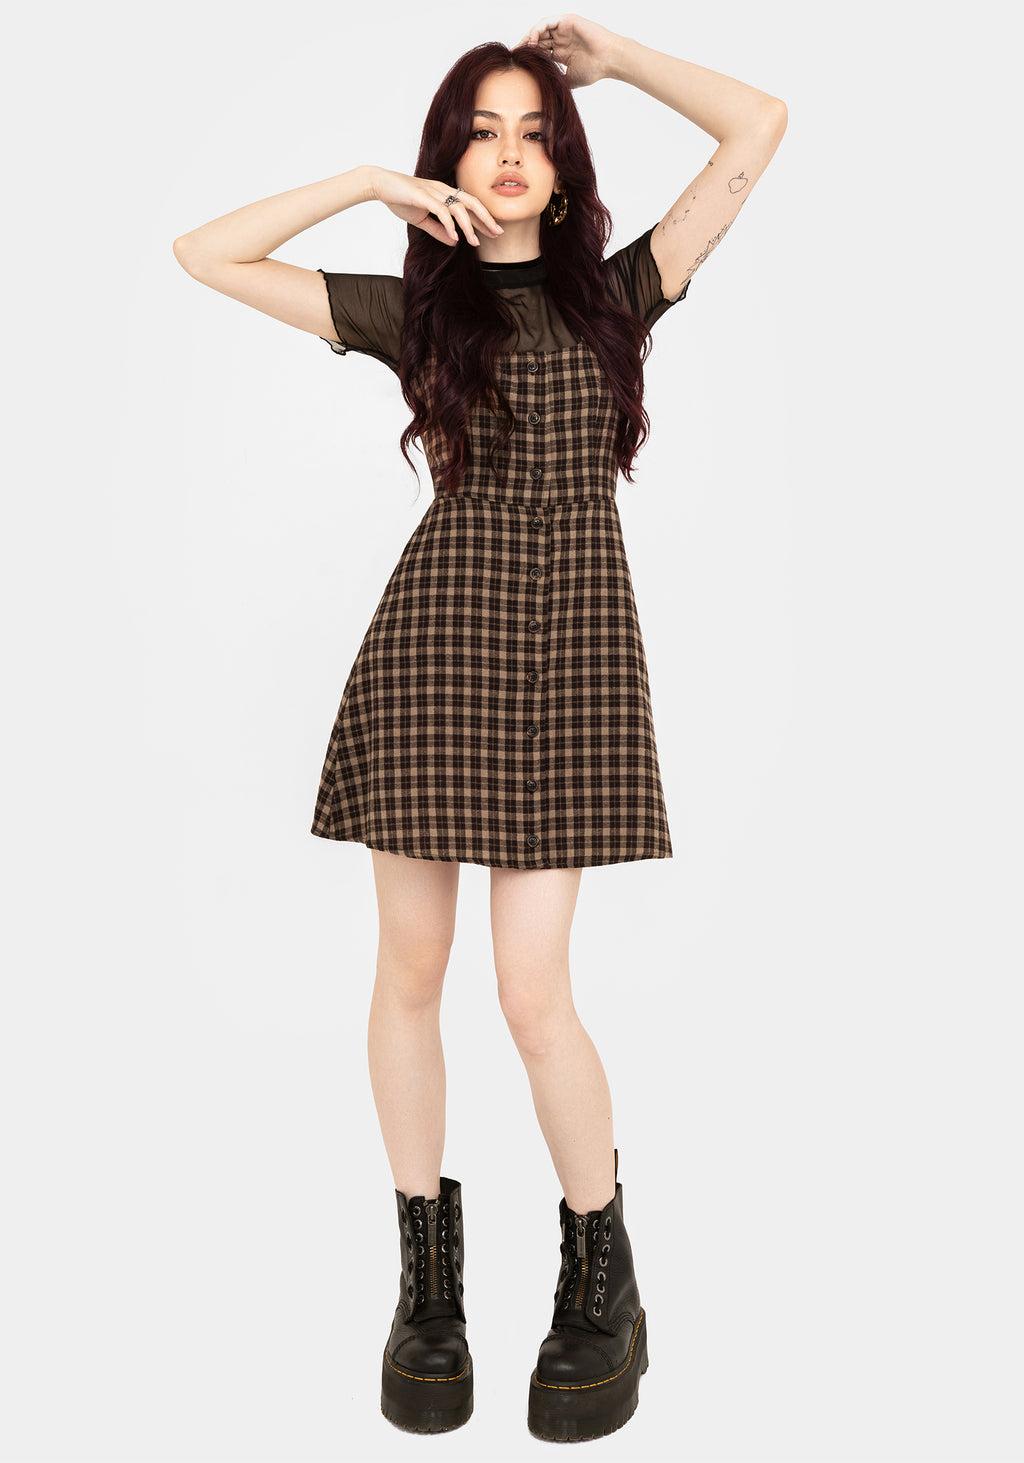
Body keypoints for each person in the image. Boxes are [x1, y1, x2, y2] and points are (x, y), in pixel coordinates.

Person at [173, 13, 786, 1443]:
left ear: (562, 169)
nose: (507, 154)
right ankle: (427, 1288)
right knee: (409, 970)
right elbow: (204, 254)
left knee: (531, 994)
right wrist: (364, 185)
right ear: (449, 160)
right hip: (434, 656)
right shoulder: (419, 313)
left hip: (569, 661)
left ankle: (601, 1275)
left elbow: (759, 126)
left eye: (532, 133)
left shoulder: (622, 293)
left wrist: (617, 63)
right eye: (480, 133)